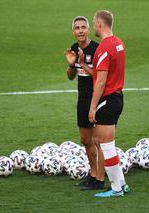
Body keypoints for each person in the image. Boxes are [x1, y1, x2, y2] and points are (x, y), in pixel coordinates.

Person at [88, 10, 130, 198]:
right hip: (118, 98)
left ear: (100, 24)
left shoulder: (104, 47)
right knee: (103, 142)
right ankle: (121, 182)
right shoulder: (119, 43)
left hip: (107, 100)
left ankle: (116, 188)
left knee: (106, 146)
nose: (93, 26)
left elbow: (101, 81)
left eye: (94, 23)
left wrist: (92, 107)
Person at [64, 16, 105, 190]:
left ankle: (100, 179)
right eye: (77, 28)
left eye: (83, 27)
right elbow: (70, 76)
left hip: (97, 98)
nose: (80, 30)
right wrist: (73, 65)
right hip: (82, 99)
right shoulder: (74, 48)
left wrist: (82, 63)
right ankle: (93, 174)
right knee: (85, 140)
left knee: (98, 140)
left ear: (88, 30)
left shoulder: (97, 49)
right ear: (73, 31)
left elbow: (99, 76)